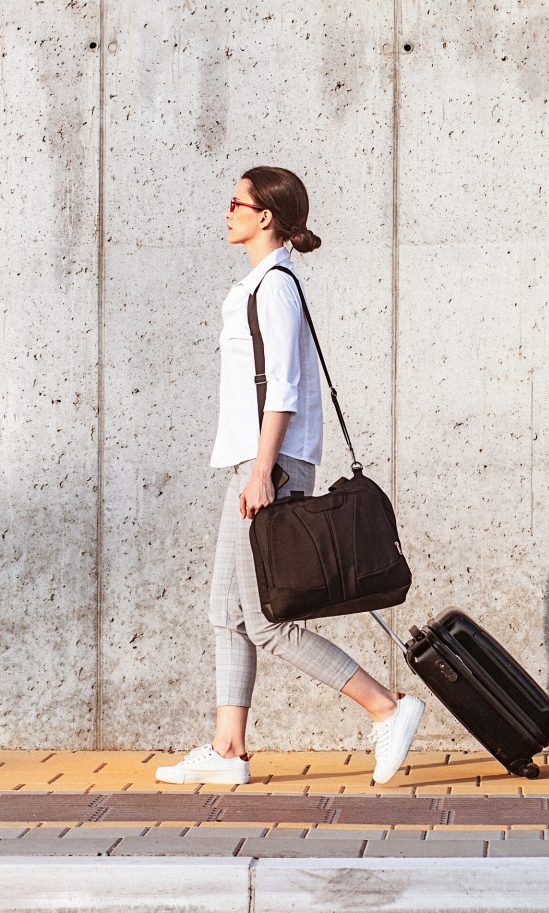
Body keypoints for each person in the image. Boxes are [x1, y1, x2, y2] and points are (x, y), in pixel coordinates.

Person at [155, 166, 424, 786]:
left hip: (267, 465)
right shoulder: (259, 283)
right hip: (258, 463)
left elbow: (284, 389)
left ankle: (387, 706)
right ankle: (229, 751)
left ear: (265, 216)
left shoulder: (273, 286)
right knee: (228, 612)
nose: (228, 212)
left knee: (268, 620)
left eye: (236, 202)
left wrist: (263, 470)